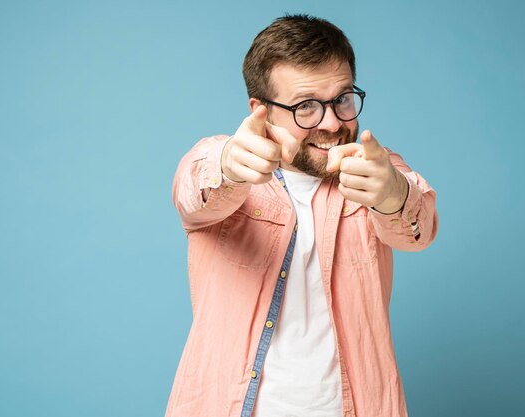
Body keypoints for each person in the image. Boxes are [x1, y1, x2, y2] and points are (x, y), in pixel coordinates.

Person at [166, 14, 438, 417]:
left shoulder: (375, 169)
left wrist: (394, 193)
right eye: (306, 107)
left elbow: (419, 232)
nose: (331, 123)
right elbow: (193, 191)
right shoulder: (224, 162)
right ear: (260, 109)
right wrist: (227, 165)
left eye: (343, 99)